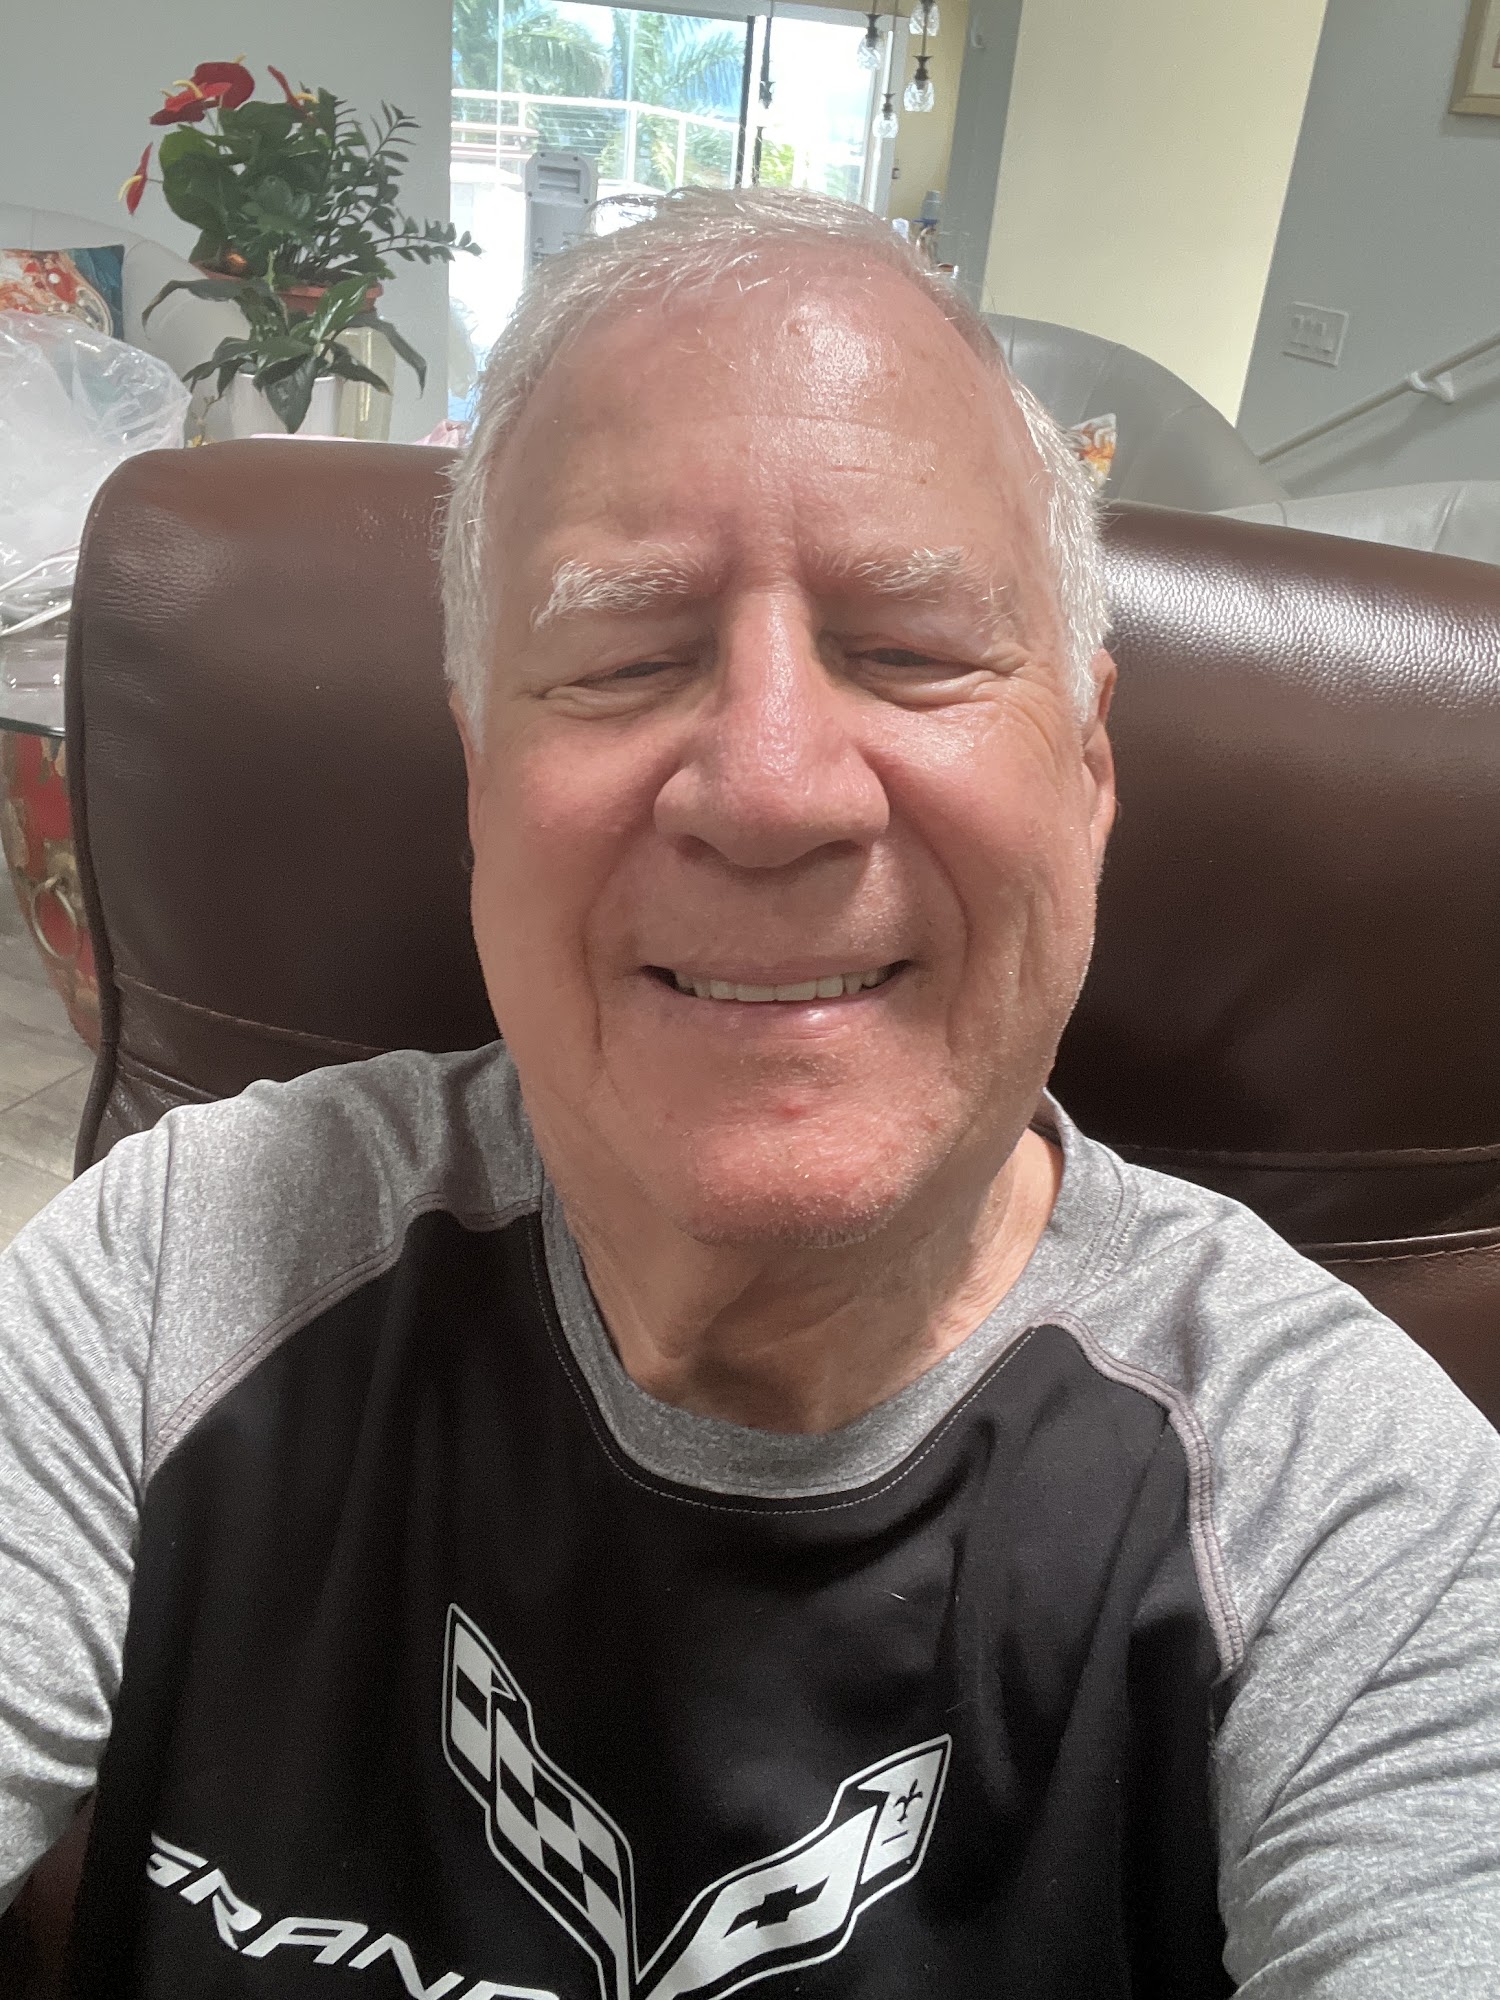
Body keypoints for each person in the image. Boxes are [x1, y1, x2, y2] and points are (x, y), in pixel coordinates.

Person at [1, 188, 1497, 1999]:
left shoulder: (1345, 1517)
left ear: (1090, 773)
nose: (774, 789)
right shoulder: (179, 1276)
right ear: (482, 783)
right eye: (627, 658)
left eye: (913, 648)